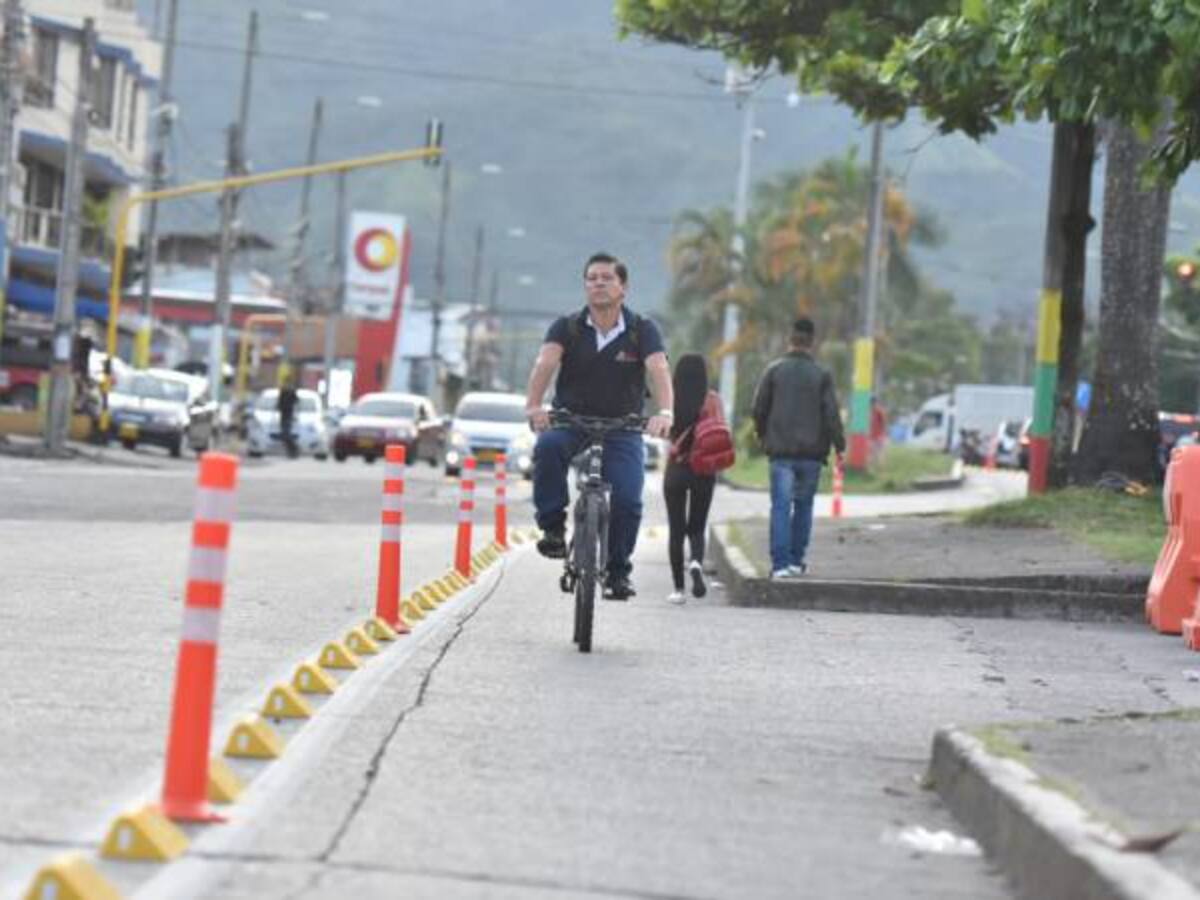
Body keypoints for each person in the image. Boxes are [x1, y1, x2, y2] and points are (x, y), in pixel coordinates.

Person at [524, 252, 673, 600]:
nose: (599, 283)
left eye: (607, 278)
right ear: (585, 286)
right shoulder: (568, 326)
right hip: (571, 419)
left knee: (628, 499)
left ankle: (618, 571)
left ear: (623, 287)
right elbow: (545, 363)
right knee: (546, 448)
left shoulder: (641, 329)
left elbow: (659, 369)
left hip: (623, 426)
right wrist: (534, 406)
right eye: (592, 278)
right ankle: (552, 529)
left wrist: (665, 412)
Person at [751, 317, 845, 579]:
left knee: (781, 507)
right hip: (812, 456)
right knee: (804, 507)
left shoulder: (774, 370)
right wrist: (840, 446)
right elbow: (831, 415)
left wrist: (762, 435)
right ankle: (795, 560)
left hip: (780, 454)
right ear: (813, 342)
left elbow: (758, 409)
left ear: (789, 339)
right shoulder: (821, 375)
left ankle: (780, 566)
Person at [663, 353, 719, 604]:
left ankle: (678, 590)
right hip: (704, 469)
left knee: (676, 530)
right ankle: (696, 562)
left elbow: (664, 431)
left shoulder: (671, 399)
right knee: (697, 526)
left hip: (676, 469)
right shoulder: (712, 399)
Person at [277, 376, 299, 459]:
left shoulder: (292, 391)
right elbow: (279, 401)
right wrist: (278, 406)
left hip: (289, 414)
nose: (286, 385)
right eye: (285, 383)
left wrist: (290, 402)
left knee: (286, 433)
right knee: (284, 433)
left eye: (287, 383)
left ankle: (294, 449)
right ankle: (291, 451)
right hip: (283, 414)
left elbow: (296, 400)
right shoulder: (282, 391)